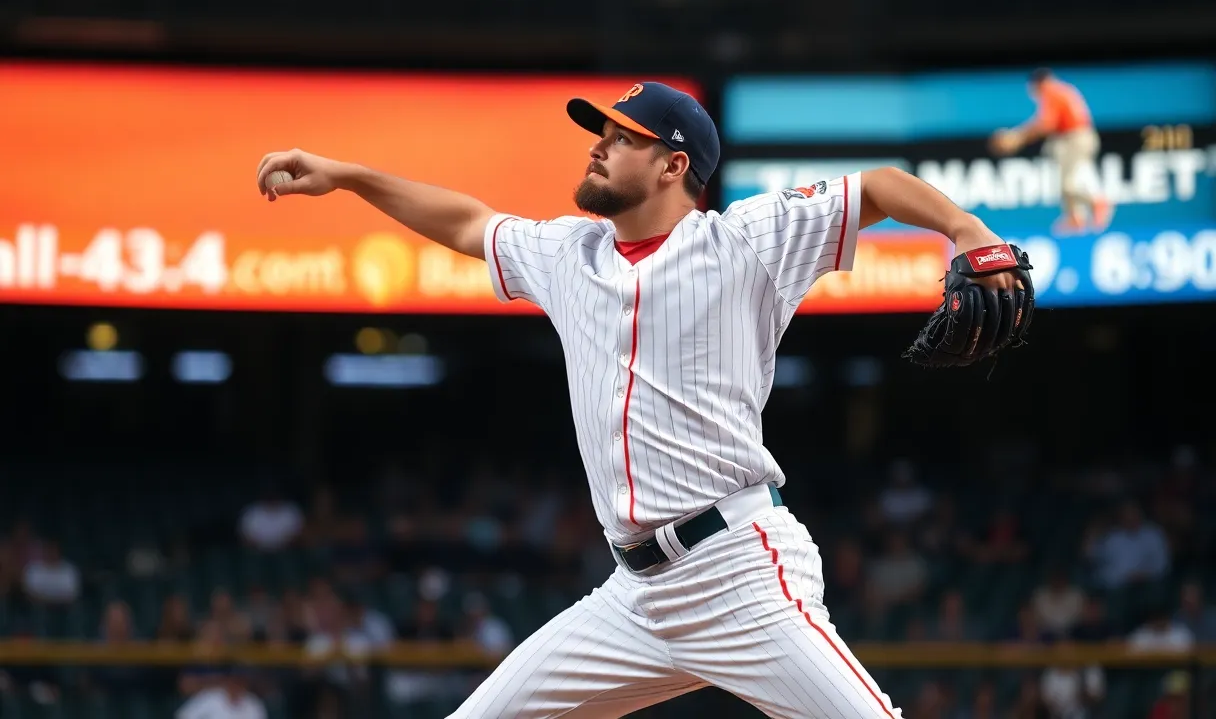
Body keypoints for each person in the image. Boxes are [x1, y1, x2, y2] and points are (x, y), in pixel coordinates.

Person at [257, 81, 1024, 719]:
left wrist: (966, 231)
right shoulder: (568, 254)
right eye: (602, 132)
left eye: (622, 136)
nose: (599, 144)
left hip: (737, 572)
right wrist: (351, 176)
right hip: (635, 596)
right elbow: (465, 221)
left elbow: (879, 188)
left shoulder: (742, 241)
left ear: (672, 165)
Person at [989, 67, 1112, 236]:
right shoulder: (1063, 88)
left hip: (1074, 139)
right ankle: (1076, 218)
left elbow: (1046, 124)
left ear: (1038, 83)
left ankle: (1096, 203)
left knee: (1068, 184)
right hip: (1076, 137)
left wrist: (1017, 137)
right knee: (1071, 180)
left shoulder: (1051, 90)